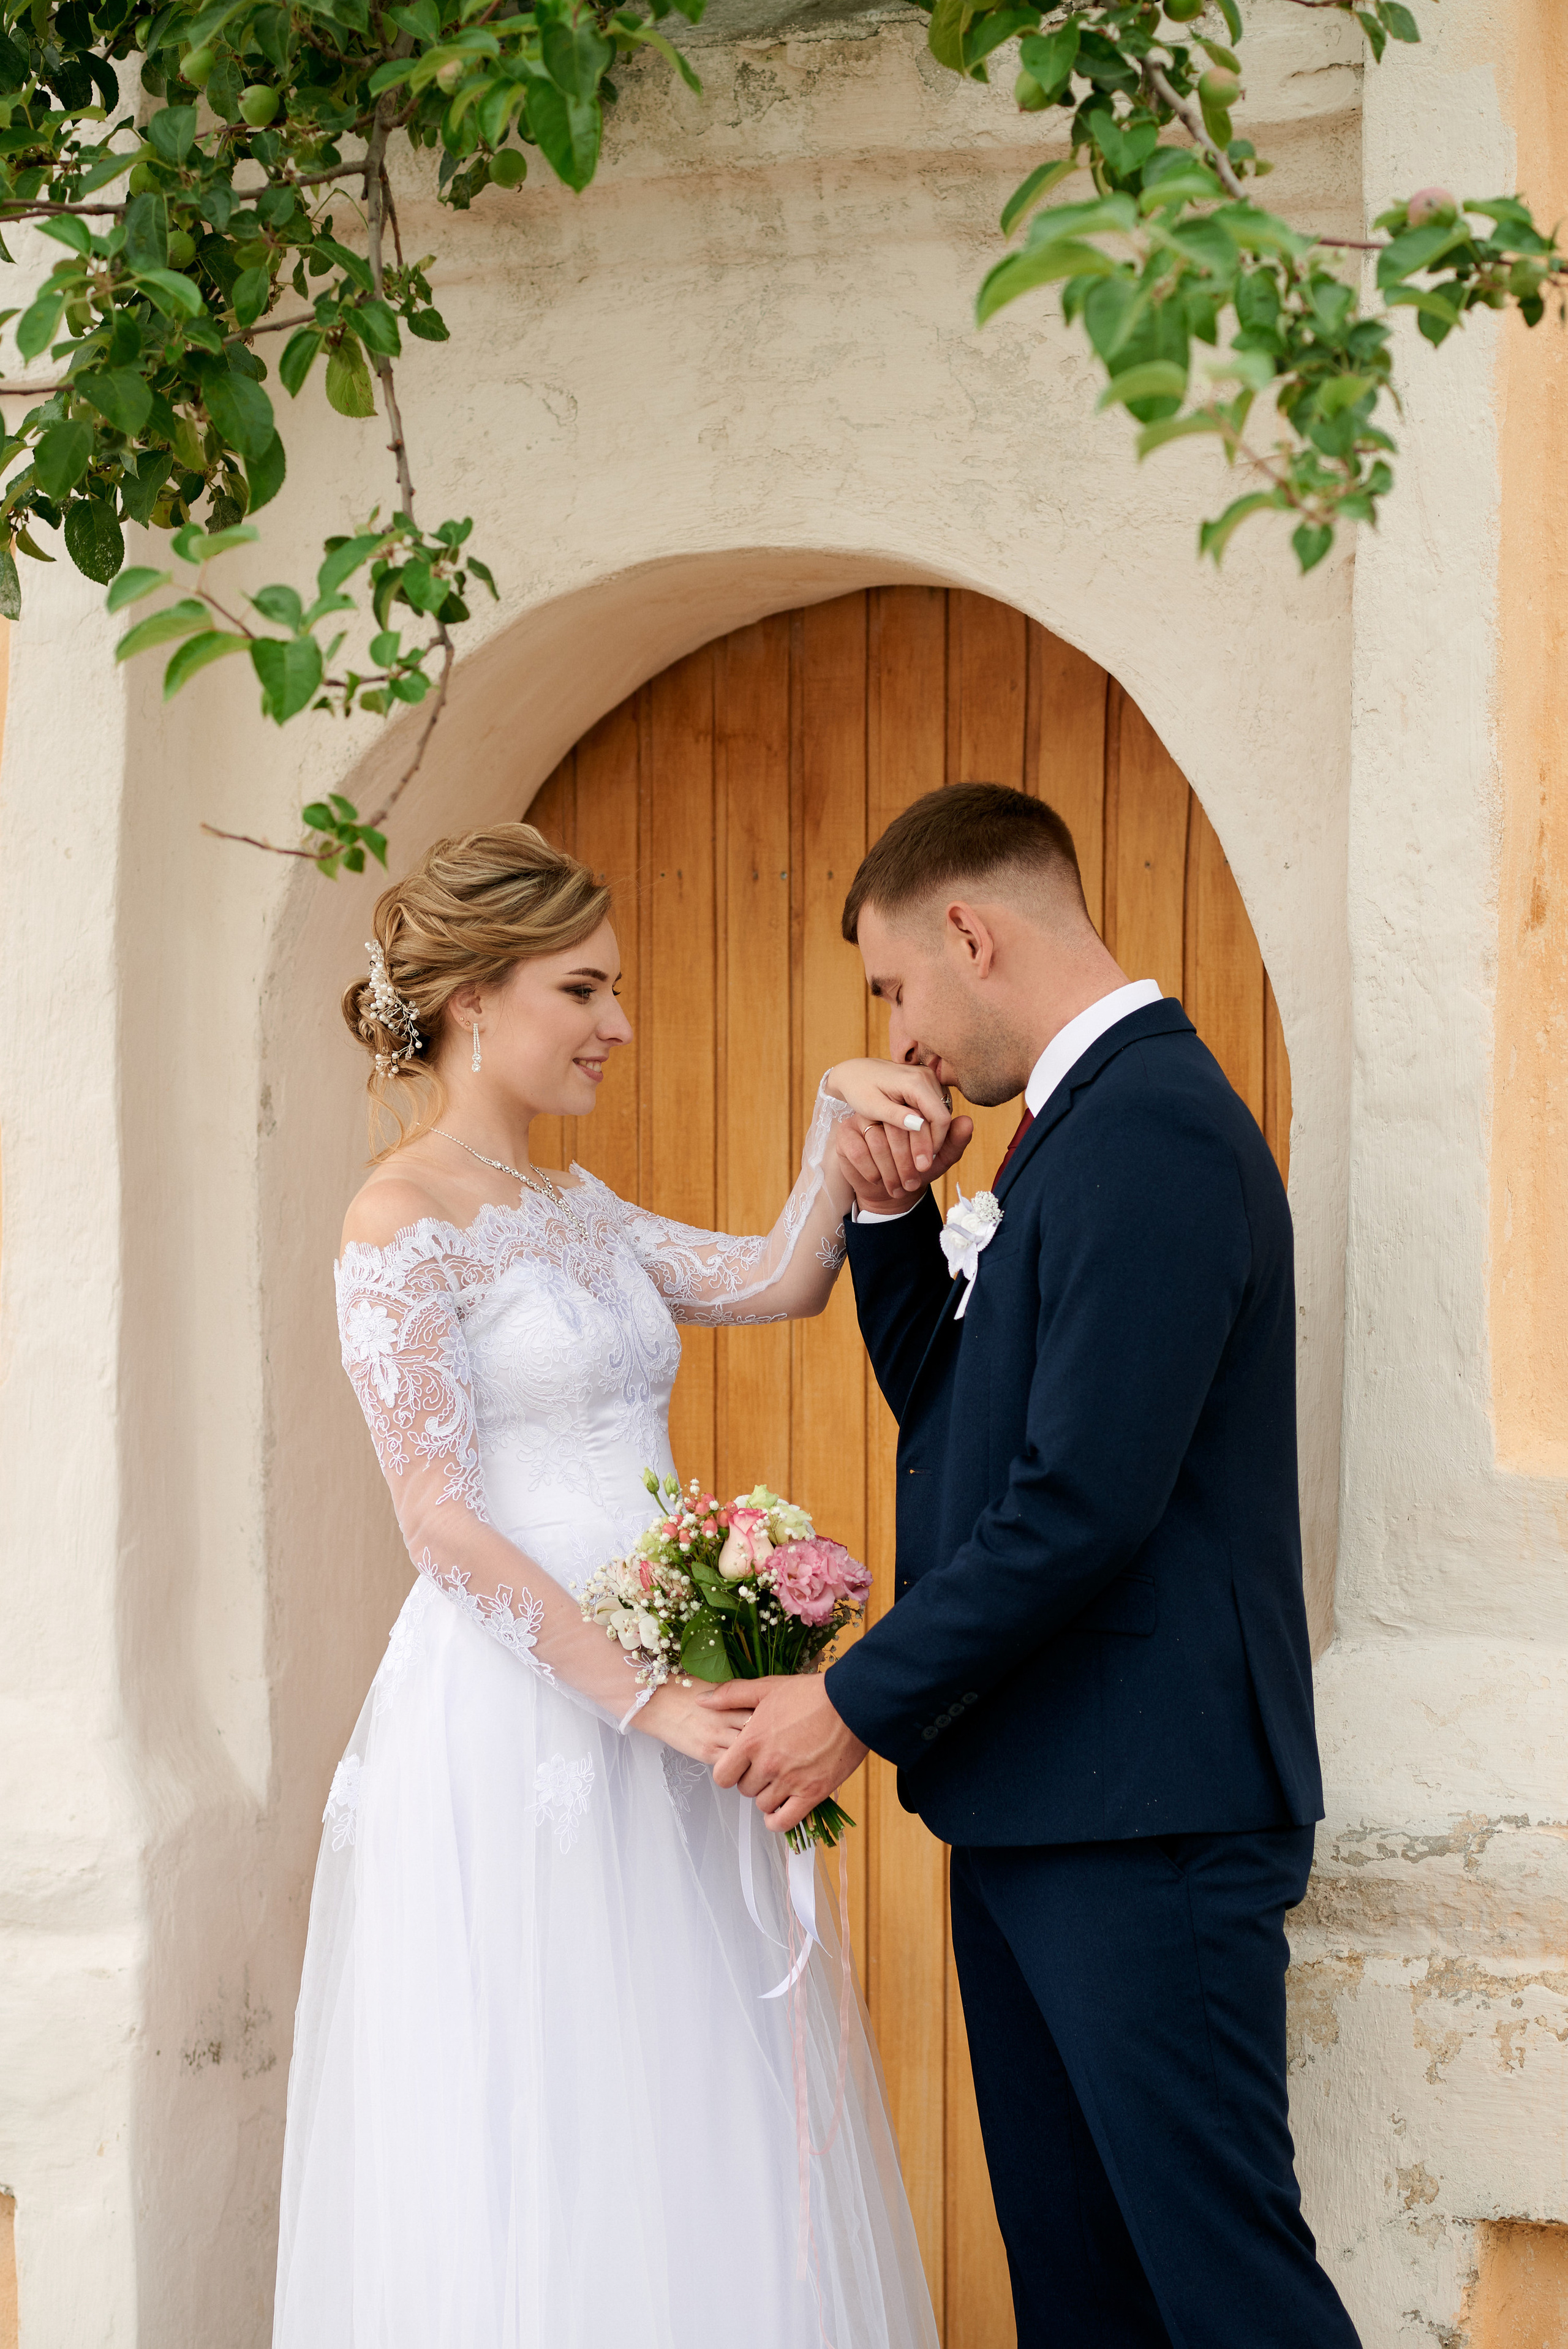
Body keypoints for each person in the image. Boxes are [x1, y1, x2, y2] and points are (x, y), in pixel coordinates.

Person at [271, 821, 960, 2349]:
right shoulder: (398, 1222)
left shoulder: (578, 1207)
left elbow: (776, 1275)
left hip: (668, 1715)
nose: (618, 1025)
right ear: (472, 998)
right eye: (584, 988)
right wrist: (644, 1699)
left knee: (678, 2094)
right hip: (529, 1722)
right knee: (542, 2103)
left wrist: (831, 1121)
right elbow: (439, 1521)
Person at [712, 783, 1364, 2348]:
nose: (900, 1033)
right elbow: (969, 1430)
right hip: (1044, 1805)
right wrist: (887, 1220)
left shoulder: (1149, 1126)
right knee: (1085, 2295)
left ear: (968, 931)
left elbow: (1082, 1504)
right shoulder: (1071, 1132)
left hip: (1146, 1824)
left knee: (1224, 2293)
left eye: (892, 988)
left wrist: (848, 1703)